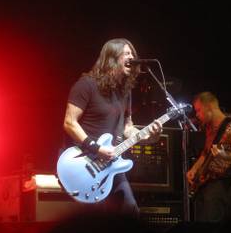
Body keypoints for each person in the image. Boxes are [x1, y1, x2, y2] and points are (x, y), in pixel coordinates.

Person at [62, 38, 162, 218]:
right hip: (85, 162)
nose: (132, 57)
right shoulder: (86, 85)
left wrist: (149, 135)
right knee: (95, 220)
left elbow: (127, 128)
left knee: (130, 213)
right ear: (111, 58)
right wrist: (96, 148)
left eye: (133, 53)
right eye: (127, 53)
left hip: (110, 164)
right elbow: (69, 122)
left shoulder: (125, 91)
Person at [187, 92, 231, 222]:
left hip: (222, 185)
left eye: (198, 110)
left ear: (209, 107)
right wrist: (194, 169)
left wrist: (223, 154)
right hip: (206, 183)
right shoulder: (210, 129)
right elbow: (205, 153)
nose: (196, 115)